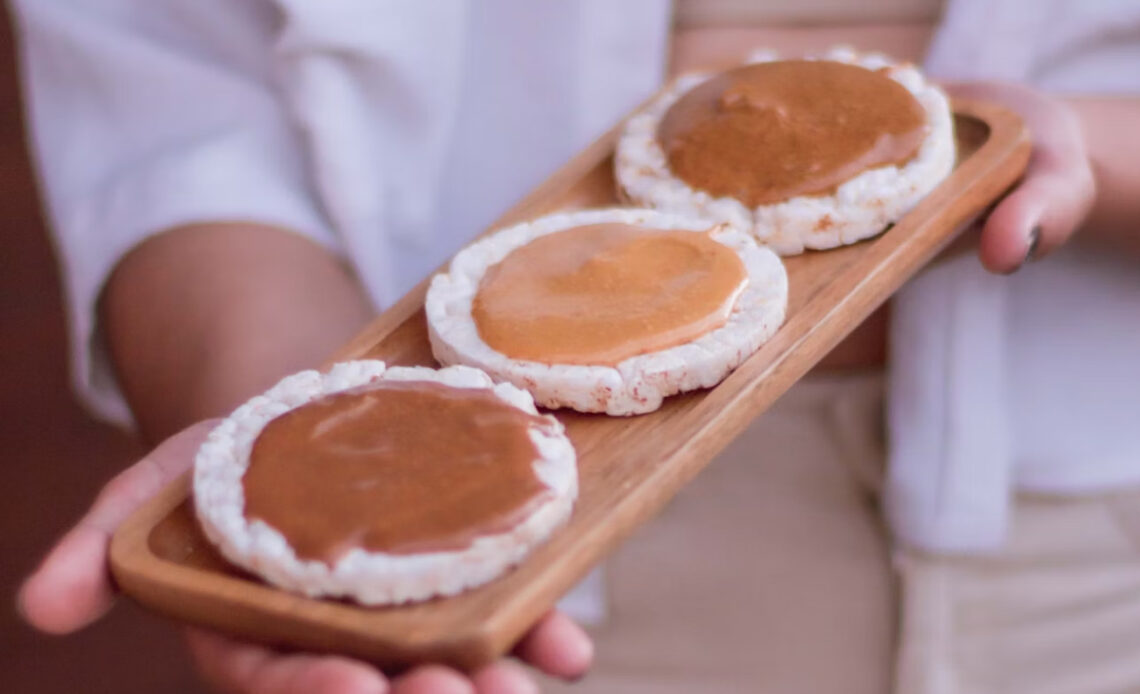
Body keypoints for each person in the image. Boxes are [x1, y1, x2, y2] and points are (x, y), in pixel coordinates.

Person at [11, 0, 1139, 692]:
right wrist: (303, 416)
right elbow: (178, 100)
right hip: (560, 574)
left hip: (1100, 535)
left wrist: (1080, 142)